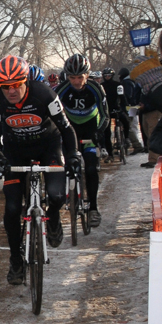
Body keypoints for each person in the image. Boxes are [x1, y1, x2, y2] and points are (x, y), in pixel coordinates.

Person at [0, 55, 80, 286]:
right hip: (15, 151)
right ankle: (16, 260)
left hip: (48, 146)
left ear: (25, 81)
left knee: (57, 195)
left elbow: (66, 129)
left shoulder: (44, 94)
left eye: (16, 85)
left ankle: (54, 216)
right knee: (12, 208)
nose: (11, 91)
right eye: (6, 86)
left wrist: (73, 156)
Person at [54, 54, 108, 228]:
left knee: (91, 169)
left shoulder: (96, 88)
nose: (76, 81)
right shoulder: (61, 90)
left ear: (87, 75)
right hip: (70, 132)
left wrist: (100, 132)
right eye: (72, 78)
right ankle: (66, 196)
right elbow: (51, 117)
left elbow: (105, 115)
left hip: (90, 132)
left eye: (80, 77)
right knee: (63, 165)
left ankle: (93, 208)